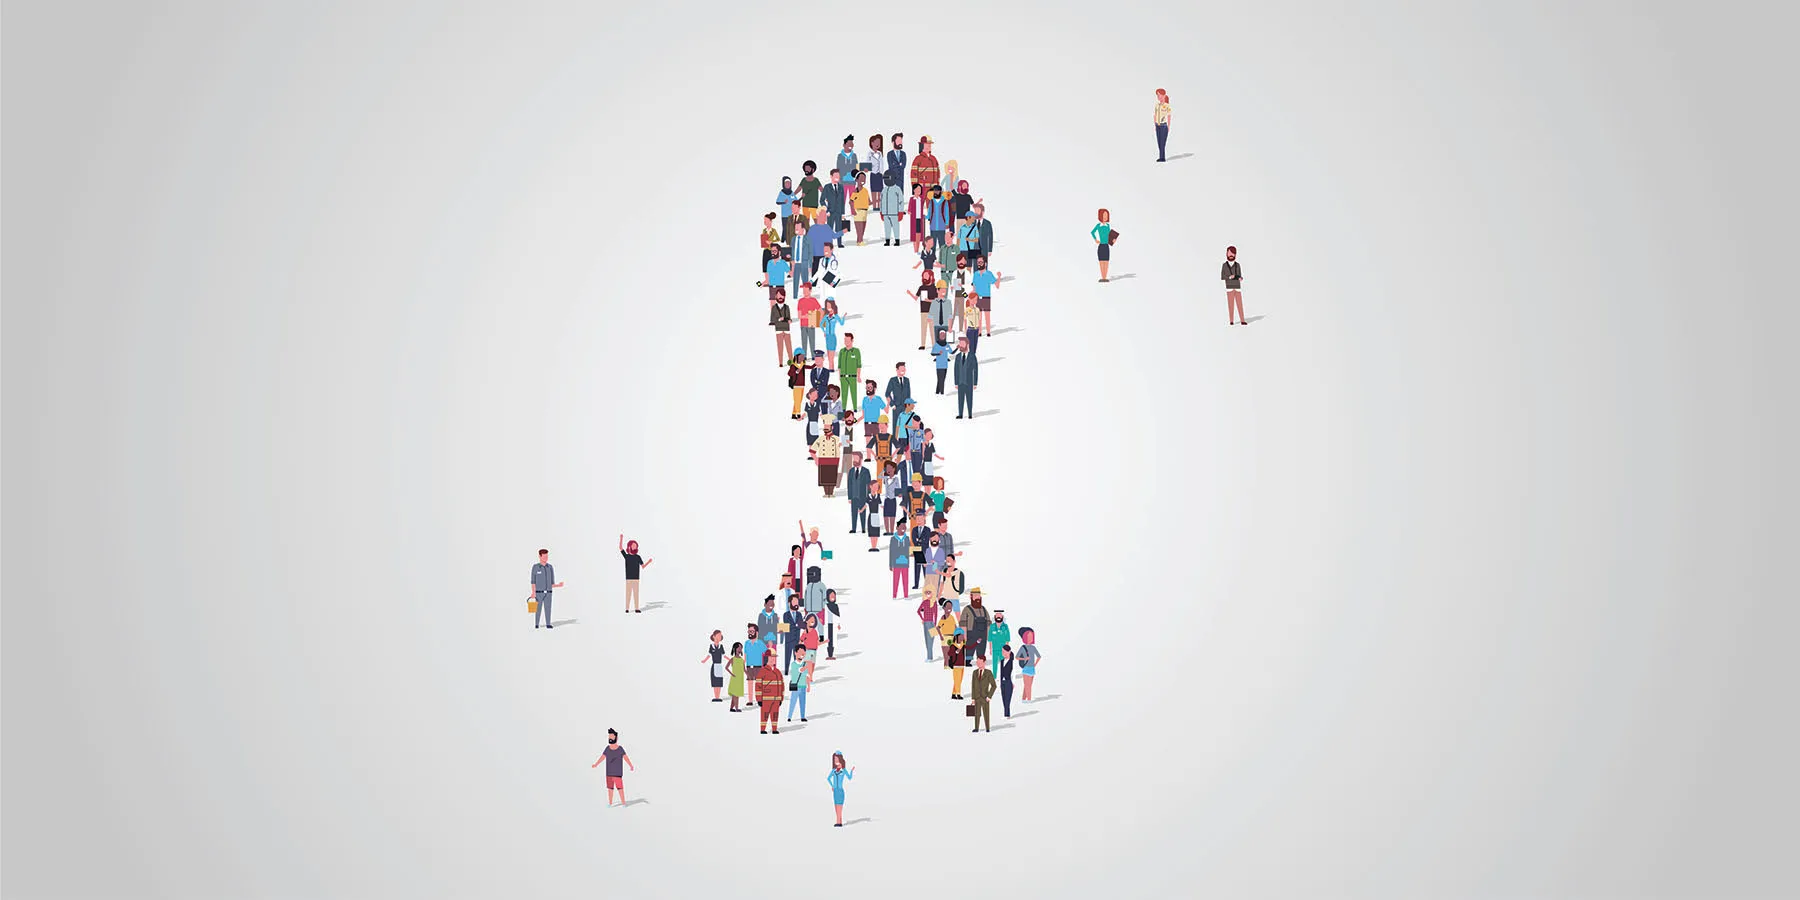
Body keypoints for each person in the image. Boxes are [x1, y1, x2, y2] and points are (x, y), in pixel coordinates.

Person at [591, 728, 636, 805]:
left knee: (620, 788)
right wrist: (596, 764)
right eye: (609, 737)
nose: (610, 738)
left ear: (616, 738)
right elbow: (602, 757)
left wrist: (630, 765)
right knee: (610, 789)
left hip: (617, 773)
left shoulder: (620, 749)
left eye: (611, 737)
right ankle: (610, 803)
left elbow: (625, 757)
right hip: (609, 773)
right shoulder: (607, 749)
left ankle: (623, 803)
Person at [528, 548, 565, 630]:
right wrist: (533, 592)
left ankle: (548, 623)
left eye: (547, 556)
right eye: (544, 556)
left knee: (548, 608)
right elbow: (533, 581)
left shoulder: (550, 567)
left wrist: (558, 585)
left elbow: (552, 583)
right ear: (540, 556)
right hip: (538, 593)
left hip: (548, 593)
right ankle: (536, 624)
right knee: (538, 609)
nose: (546, 558)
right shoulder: (535, 567)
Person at [904, 269, 939, 350]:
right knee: (923, 328)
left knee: (932, 328)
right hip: (923, 310)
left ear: (931, 277)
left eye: (926, 275)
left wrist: (928, 300)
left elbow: (936, 300)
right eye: (924, 276)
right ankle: (923, 344)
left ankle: (934, 344)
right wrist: (910, 294)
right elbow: (916, 298)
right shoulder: (921, 287)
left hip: (932, 311)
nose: (925, 277)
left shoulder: (934, 288)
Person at [969, 255, 999, 338]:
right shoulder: (975, 274)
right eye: (978, 262)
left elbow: (996, 285)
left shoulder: (989, 274)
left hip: (986, 297)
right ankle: (979, 332)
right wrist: (972, 295)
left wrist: (999, 277)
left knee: (987, 315)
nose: (979, 264)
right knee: (979, 316)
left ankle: (988, 332)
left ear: (985, 263)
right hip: (977, 297)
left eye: (981, 262)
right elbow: (974, 286)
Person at [812, 414, 842, 497]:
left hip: (834, 460)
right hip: (823, 460)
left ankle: (831, 493)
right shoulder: (820, 439)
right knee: (825, 478)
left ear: (832, 427)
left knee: (832, 478)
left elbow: (844, 444)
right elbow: (812, 450)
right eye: (825, 426)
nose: (826, 428)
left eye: (827, 426)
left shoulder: (837, 438)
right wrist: (816, 459)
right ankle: (826, 493)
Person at [756, 650, 785, 734]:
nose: (773, 659)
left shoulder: (778, 672)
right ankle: (762, 729)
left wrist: (781, 698)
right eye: (771, 657)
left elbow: (781, 686)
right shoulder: (762, 671)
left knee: (775, 714)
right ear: (766, 658)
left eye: (774, 657)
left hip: (776, 698)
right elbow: (758, 686)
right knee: (764, 714)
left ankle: (774, 729)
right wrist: (759, 699)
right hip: (766, 698)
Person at [959, 588, 991, 663]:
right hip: (971, 634)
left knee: (981, 649)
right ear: (971, 596)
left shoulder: (984, 609)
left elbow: (988, 623)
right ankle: (967, 662)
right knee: (969, 649)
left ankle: (980, 661)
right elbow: (963, 623)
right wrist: (964, 636)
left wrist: (989, 635)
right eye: (976, 595)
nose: (977, 597)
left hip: (983, 634)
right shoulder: (967, 609)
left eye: (979, 596)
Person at [879, 155, 904, 247]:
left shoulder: (897, 189)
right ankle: (887, 240)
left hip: (895, 212)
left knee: (896, 226)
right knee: (887, 227)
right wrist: (881, 211)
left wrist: (900, 211)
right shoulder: (884, 190)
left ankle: (897, 240)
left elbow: (901, 201)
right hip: (885, 213)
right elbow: (881, 201)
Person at [820, 170, 848, 251]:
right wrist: (826, 210)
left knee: (839, 227)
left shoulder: (841, 187)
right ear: (831, 176)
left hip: (839, 211)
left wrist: (843, 213)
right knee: (829, 228)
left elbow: (842, 201)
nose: (837, 178)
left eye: (838, 176)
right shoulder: (827, 187)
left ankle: (839, 243)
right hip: (830, 212)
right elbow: (822, 200)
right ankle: (829, 244)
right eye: (835, 176)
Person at [952, 336, 979, 419]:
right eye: (959, 343)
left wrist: (975, 383)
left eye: (962, 343)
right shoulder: (957, 357)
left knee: (969, 398)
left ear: (967, 344)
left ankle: (970, 414)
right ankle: (960, 414)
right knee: (960, 399)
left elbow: (976, 370)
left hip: (969, 382)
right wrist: (956, 382)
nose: (960, 345)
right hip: (960, 382)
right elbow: (956, 370)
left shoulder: (972, 356)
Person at [827, 752, 855, 826]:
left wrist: (851, 771)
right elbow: (828, 778)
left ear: (840, 759)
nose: (835, 760)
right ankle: (839, 821)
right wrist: (832, 785)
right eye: (834, 759)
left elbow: (849, 777)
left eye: (837, 758)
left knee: (839, 807)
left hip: (840, 791)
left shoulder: (843, 770)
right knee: (836, 807)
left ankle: (838, 822)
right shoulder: (833, 770)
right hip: (835, 791)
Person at [837, 333, 862, 416]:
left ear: (852, 340)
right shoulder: (842, 351)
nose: (846, 342)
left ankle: (855, 408)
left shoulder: (856, 351)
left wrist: (858, 376)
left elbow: (858, 365)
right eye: (845, 340)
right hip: (843, 376)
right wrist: (840, 375)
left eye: (848, 340)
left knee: (853, 392)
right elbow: (839, 365)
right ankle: (844, 409)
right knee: (844, 393)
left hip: (852, 376)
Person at [781, 595, 807, 674]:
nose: (796, 603)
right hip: (789, 639)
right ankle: (786, 671)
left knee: (797, 658)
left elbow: (802, 625)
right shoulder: (786, 615)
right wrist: (797, 625)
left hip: (797, 639)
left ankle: (796, 671)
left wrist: (800, 624)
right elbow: (787, 626)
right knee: (787, 657)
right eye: (794, 601)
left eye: (797, 602)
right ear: (789, 603)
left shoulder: (799, 614)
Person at [909, 135, 940, 201]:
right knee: (918, 206)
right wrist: (915, 188)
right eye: (927, 144)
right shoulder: (918, 159)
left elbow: (938, 174)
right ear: (922, 145)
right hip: (921, 188)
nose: (929, 146)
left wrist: (937, 187)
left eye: (930, 144)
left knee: (932, 208)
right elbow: (913, 175)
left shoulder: (934, 159)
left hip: (932, 188)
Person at [795, 284, 822, 360]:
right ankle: (804, 356)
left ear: (810, 290)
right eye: (803, 290)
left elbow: (820, 311)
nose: (804, 292)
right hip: (803, 324)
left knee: (812, 340)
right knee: (804, 341)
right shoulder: (800, 301)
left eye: (806, 290)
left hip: (811, 324)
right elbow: (799, 316)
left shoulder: (814, 300)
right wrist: (807, 316)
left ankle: (813, 356)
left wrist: (815, 318)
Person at [786, 644, 812, 722]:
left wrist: (808, 686)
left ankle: (802, 716)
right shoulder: (794, 664)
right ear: (795, 653)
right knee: (793, 702)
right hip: (796, 686)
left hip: (803, 686)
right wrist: (807, 666)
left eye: (804, 653)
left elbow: (807, 676)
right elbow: (800, 670)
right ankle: (789, 716)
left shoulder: (804, 664)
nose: (802, 655)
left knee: (803, 702)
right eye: (800, 653)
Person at [970, 656, 995, 732]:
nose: (978, 664)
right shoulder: (974, 672)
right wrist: (973, 698)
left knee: (986, 713)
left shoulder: (988, 672)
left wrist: (989, 696)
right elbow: (973, 686)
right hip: (977, 697)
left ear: (984, 662)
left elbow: (994, 685)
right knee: (976, 714)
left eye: (980, 662)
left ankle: (987, 728)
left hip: (985, 697)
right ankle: (976, 728)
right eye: (977, 662)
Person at [1222, 245, 1246, 325]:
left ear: (1235, 255)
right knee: (1230, 304)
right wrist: (1229, 277)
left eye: (1232, 254)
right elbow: (1222, 276)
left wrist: (1239, 278)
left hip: (1237, 287)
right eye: (1229, 253)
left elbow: (1239, 275)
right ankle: (1231, 321)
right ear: (1226, 254)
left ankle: (1242, 320)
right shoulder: (1224, 265)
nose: (1231, 255)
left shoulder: (1237, 265)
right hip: (1229, 287)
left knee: (1239, 304)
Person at [819, 299, 846, 371]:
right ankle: (830, 367)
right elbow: (821, 324)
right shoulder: (826, 317)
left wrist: (843, 317)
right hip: (827, 336)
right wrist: (824, 331)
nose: (828, 307)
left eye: (829, 305)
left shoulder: (836, 316)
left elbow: (841, 323)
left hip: (832, 337)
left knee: (831, 354)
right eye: (827, 306)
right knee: (828, 353)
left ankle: (831, 368)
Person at [887, 520, 911, 599]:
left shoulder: (907, 538)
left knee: (905, 580)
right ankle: (894, 595)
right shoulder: (893, 539)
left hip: (905, 563)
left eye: (904, 526)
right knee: (895, 580)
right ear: (897, 528)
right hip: (896, 563)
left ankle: (906, 595)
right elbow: (891, 552)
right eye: (901, 526)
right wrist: (890, 564)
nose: (903, 528)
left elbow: (910, 550)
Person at [1017, 627, 1042, 700]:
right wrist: (1025, 659)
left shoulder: (1033, 647)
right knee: (1028, 686)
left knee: (1028, 685)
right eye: (1028, 636)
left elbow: (1039, 657)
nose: (1030, 638)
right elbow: (1017, 657)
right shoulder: (1023, 647)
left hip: (1032, 668)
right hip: (1026, 668)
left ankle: (1024, 699)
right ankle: (1029, 700)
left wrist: (1035, 664)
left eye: (1031, 636)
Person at [702, 630, 727, 701]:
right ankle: (716, 697)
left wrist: (730, 660)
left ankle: (718, 697)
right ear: (714, 636)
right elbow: (709, 655)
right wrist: (704, 660)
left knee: (719, 682)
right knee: (715, 681)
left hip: (719, 666)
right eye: (718, 635)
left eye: (720, 636)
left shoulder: (721, 646)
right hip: (714, 665)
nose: (719, 637)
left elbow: (724, 655)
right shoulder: (711, 646)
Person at [772, 298, 795, 371]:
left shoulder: (787, 307)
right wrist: (778, 319)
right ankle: (780, 362)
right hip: (778, 329)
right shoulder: (774, 308)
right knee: (780, 346)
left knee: (789, 345)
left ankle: (791, 361)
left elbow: (789, 318)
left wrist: (789, 320)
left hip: (786, 328)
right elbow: (772, 319)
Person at [987, 609, 1011, 678]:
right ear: (994, 617)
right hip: (995, 649)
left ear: (1002, 617)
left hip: (1003, 650)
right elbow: (990, 639)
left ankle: (1002, 676)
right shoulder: (992, 626)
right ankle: (994, 677)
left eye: (1000, 616)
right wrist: (990, 649)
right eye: (997, 616)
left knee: (1003, 663)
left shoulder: (1005, 626)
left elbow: (1007, 639)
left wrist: (1007, 650)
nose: (998, 617)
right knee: (994, 664)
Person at [797, 160, 823, 224]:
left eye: (808, 168)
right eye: (805, 168)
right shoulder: (803, 180)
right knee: (806, 222)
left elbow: (821, 189)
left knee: (816, 221)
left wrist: (827, 197)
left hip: (813, 205)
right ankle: (807, 234)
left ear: (813, 169)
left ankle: (818, 233)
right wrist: (791, 195)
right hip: (805, 205)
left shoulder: (816, 180)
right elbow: (798, 189)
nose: (806, 170)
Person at [1091, 208, 1114, 282]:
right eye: (1104, 215)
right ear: (1101, 216)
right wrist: (1096, 240)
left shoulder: (1108, 225)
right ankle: (1103, 277)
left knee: (1106, 261)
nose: (1105, 217)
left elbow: (1109, 235)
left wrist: (1113, 240)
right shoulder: (1098, 225)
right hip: (1101, 245)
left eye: (1106, 215)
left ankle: (1105, 277)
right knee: (1101, 261)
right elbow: (1092, 232)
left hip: (1106, 245)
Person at [760, 211, 783, 280]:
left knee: (772, 265)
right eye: (764, 221)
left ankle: (772, 279)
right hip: (765, 249)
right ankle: (767, 280)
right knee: (765, 264)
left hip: (772, 250)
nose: (765, 222)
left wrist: (772, 241)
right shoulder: (764, 230)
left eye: (766, 221)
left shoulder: (774, 230)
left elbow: (778, 239)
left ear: (770, 221)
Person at [916, 591, 939, 661]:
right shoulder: (925, 602)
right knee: (928, 639)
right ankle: (929, 657)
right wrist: (923, 619)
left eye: (929, 593)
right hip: (927, 622)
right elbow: (918, 611)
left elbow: (935, 614)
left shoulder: (934, 603)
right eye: (927, 593)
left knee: (930, 640)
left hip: (930, 623)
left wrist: (935, 624)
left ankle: (930, 657)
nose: (928, 595)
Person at [850, 171, 871, 245]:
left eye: (864, 178)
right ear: (856, 180)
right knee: (859, 227)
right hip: (858, 211)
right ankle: (859, 241)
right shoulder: (856, 191)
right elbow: (851, 201)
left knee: (863, 227)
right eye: (861, 178)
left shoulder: (865, 190)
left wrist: (878, 201)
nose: (863, 180)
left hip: (865, 211)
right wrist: (853, 210)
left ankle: (860, 240)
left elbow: (869, 201)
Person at [775, 177, 799, 244]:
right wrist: (783, 202)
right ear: (783, 184)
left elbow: (796, 200)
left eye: (789, 183)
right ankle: (783, 239)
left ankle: (790, 239)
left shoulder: (792, 193)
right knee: (785, 227)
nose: (788, 185)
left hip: (792, 214)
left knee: (791, 227)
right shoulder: (782, 193)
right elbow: (777, 202)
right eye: (786, 183)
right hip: (784, 214)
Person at [906, 183, 928, 253]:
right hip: (914, 219)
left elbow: (924, 192)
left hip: (920, 219)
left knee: (919, 234)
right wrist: (909, 211)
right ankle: (915, 250)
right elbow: (909, 208)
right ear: (914, 190)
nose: (919, 190)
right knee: (914, 235)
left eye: (920, 189)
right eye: (918, 189)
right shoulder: (912, 199)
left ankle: (917, 249)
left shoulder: (921, 199)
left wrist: (923, 184)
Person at [886, 132, 908, 200]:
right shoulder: (889, 154)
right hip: (892, 178)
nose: (900, 142)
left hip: (901, 178)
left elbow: (903, 165)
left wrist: (897, 165)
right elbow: (891, 166)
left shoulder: (903, 154)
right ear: (893, 142)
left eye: (901, 141)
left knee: (900, 195)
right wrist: (899, 165)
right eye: (898, 141)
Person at [785, 352, 807, 419]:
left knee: (799, 400)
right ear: (796, 357)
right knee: (797, 400)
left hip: (802, 385)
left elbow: (810, 367)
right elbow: (789, 373)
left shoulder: (803, 365)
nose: (802, 358)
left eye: (803, 357)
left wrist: (816, 364)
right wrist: (795, 372)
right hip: (796, 386)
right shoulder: (793, 366)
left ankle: (794, 414)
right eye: (800, 357)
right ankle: (798, 414)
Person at [1153, 88, 1173, 162]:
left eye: (1159, 95)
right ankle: (1161, 156)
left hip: (1163, 126)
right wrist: (1155, 124)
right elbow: (1155, 115)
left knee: (1162, 142)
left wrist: (1168, 126)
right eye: (1157, 95)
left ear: (1164, 95)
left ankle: (1162, 157)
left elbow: (1169, 116)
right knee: (1159, 142)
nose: (1158, 97)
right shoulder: (1157, 105)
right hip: (1157, 125)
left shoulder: (1167, 106)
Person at [946, 633, 968, 699]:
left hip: (962, 666)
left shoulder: (963, 645)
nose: (962, 638)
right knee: (957, 681)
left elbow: (970, 647)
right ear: (956, 638)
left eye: (962, 637)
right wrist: (956, 652)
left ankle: (953, 694)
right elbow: (949, 653)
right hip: (956, 666)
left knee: (959, 680)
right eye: (960, 637)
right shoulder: (953, 646)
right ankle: (958, 694)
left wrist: (977, 643)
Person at [726, 642, 747, 711]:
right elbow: (726, 667)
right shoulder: (732, 659)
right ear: (735, 648)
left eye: (741, 648)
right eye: (739, 647)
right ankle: (737, 708)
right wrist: (731, 674)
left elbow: (744, 669)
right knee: (736, 694)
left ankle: (731, 708)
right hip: (734, 679)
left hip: (740, 679)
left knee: (735, 694)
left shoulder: (742, 660)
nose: (740, 649)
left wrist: (748, 676)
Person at [931, 330, 952, 394]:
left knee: (942, 379)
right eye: (941, 334)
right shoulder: (936, 345)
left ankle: (937, 392)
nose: (943, 336)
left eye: (944, 334)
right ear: (939, 335)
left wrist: (957, 348)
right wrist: (938, 354)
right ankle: (942, 393)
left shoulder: (947, 345)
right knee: (941, 379)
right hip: (939, 365)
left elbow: (951, 352)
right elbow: (932, 353)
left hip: (945, 365)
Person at [999, 644, 1016, 717]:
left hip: (1009, 682)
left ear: (1009, 652)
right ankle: (1006, 713)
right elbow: (1000, 672)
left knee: (1007, 699)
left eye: (1004, 651)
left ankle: (1007, 714)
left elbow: (1014, 673)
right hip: (1002, 682)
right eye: (1002, 651)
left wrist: (1013, 682)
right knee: (1003, 698)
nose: (1003, 653)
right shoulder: (1002, 661)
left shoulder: (1012, 661)